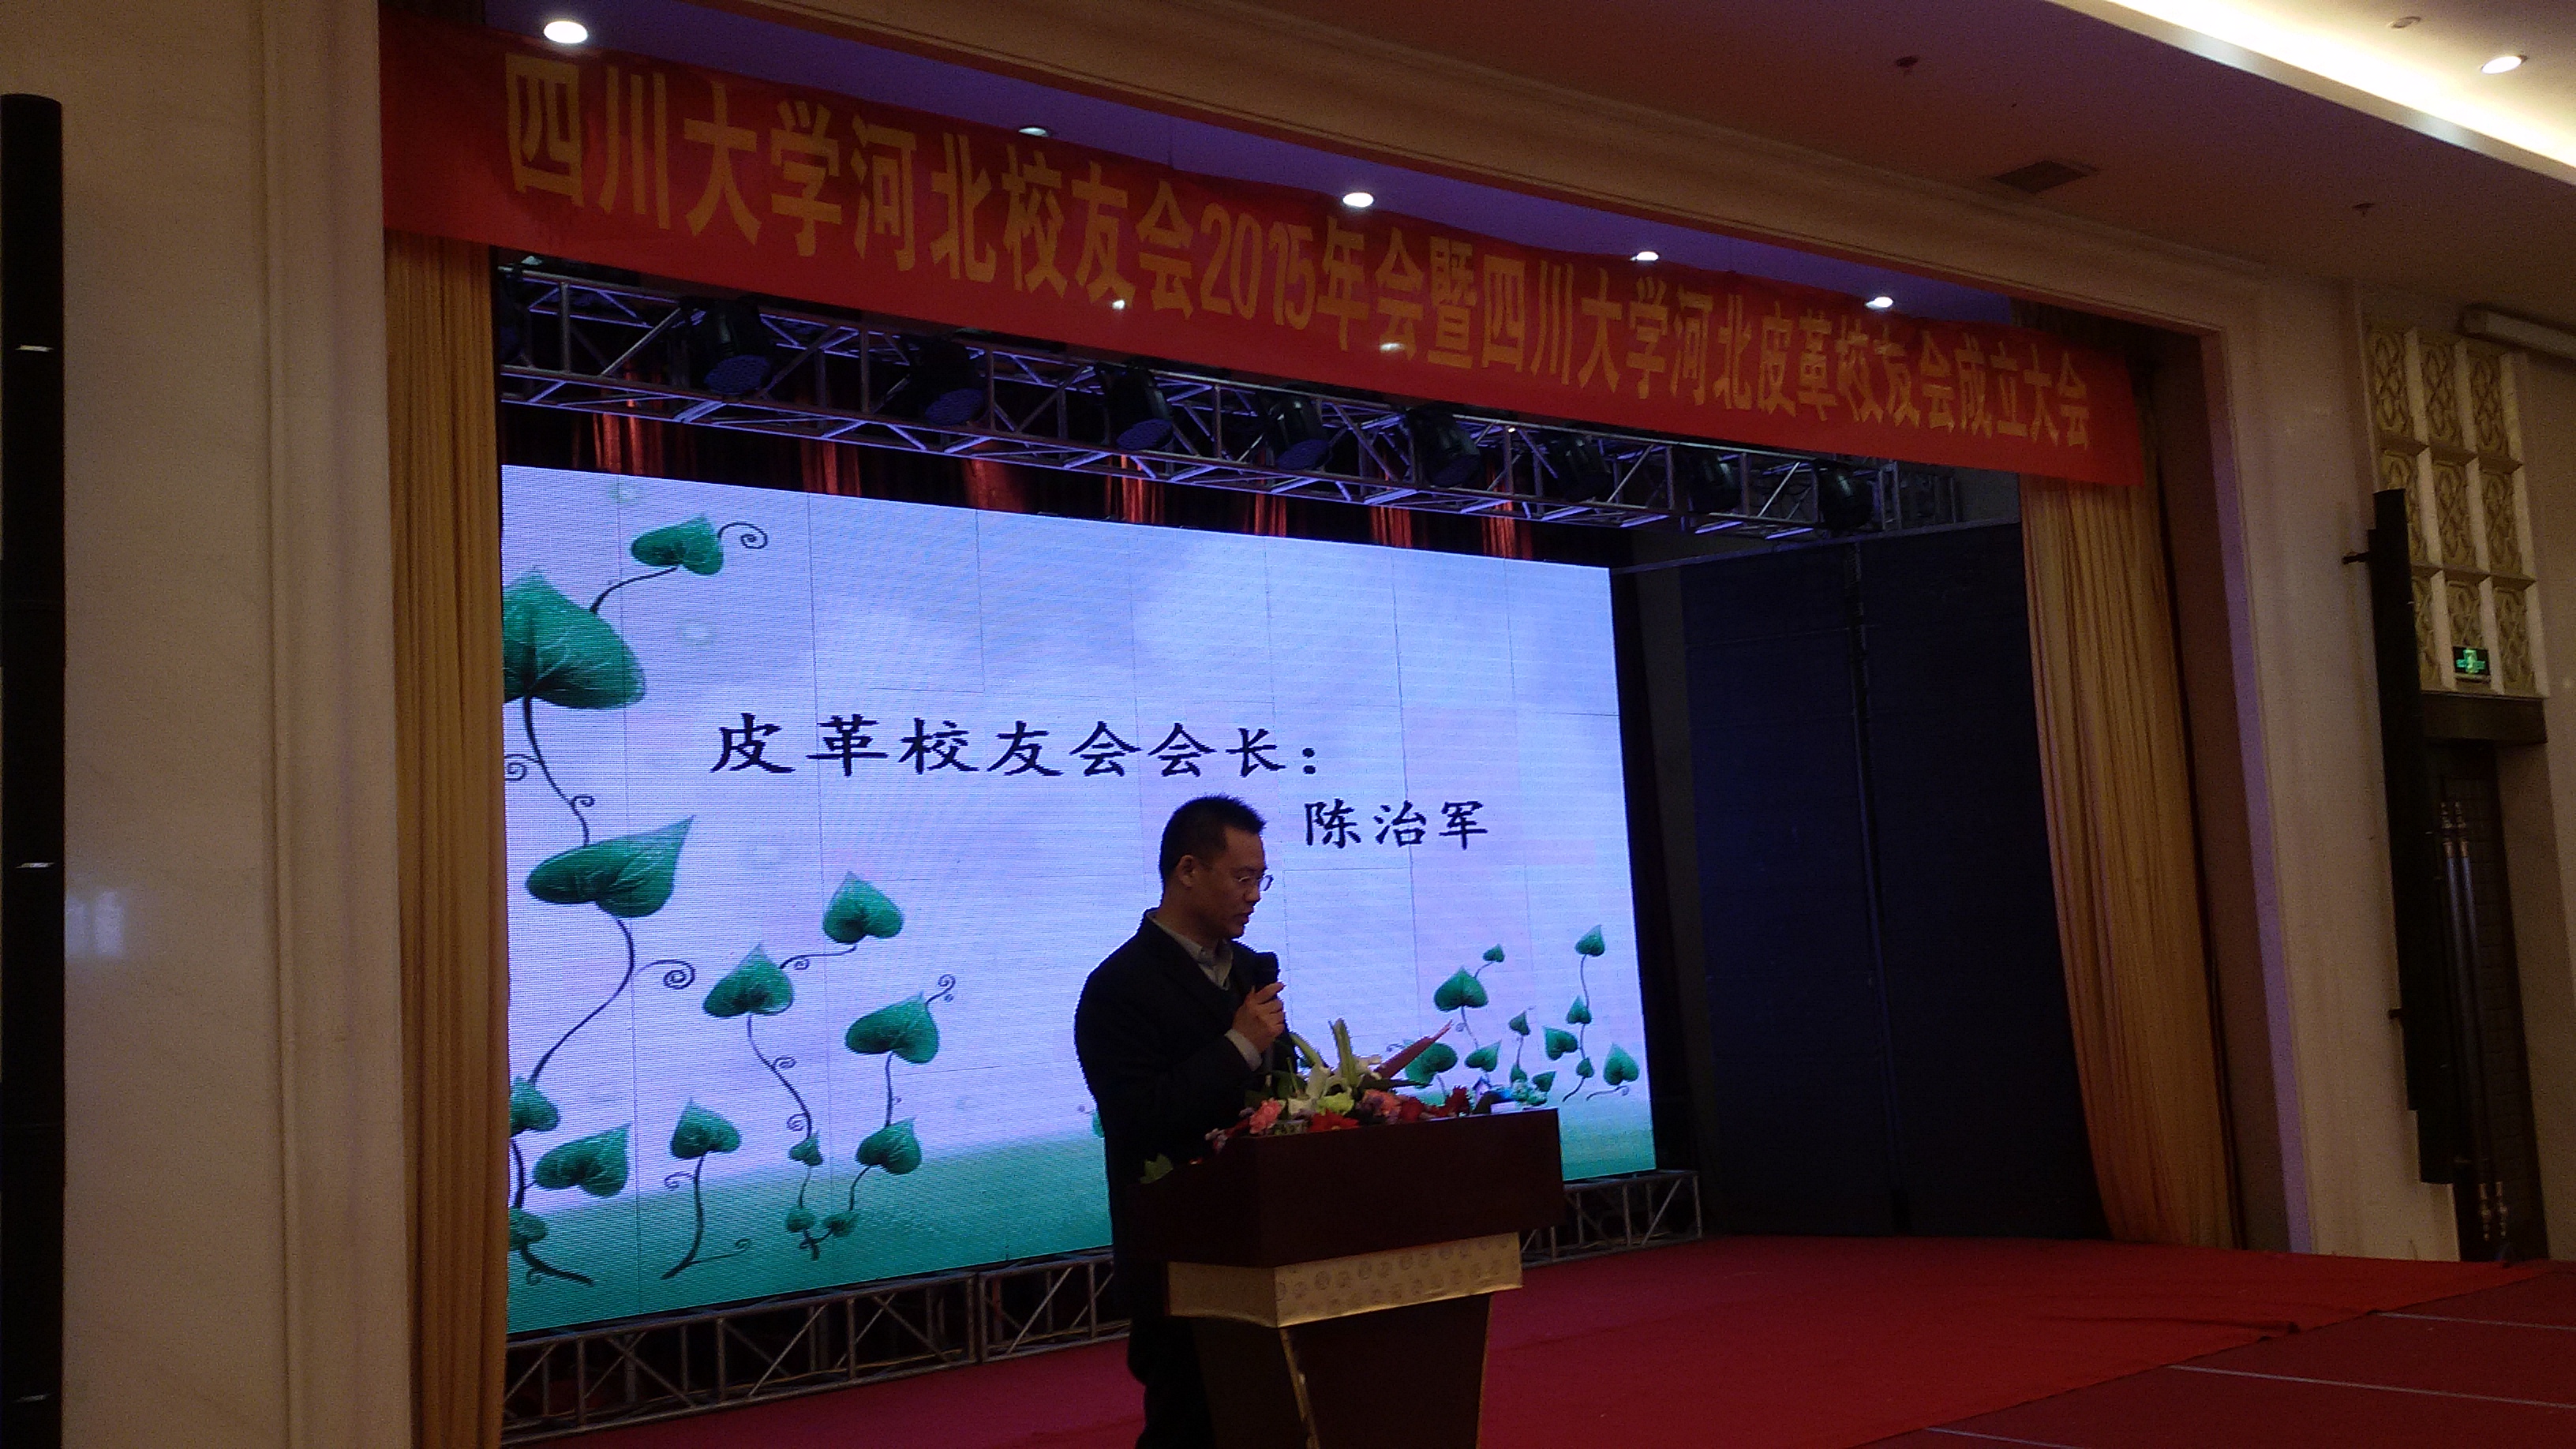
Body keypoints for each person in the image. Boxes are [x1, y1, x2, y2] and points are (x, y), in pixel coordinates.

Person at [1074, 795, 1290, 1449]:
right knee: (1191, 1429)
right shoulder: (1118, 987)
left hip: (1269, 1249)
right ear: (1188, 870)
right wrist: (1238, 1046)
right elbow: (1137, 1120)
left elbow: (1275, 1097)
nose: (1254, 896)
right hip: (1180, 1263)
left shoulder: (1250, 972)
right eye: (1242, 877)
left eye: (1262, 879)